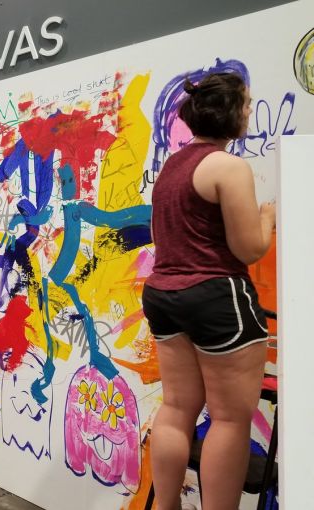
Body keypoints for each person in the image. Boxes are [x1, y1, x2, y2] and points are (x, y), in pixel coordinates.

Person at [142, 72, 276, 510]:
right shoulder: (228, 167)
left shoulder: (172, 166)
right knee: (230, 420)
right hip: (216, 298)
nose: (250, 111)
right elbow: (248, 248)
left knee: (177, 408)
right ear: (231, 112)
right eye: (247, 103)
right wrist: (267, 218)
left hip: (163, 295)